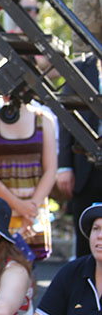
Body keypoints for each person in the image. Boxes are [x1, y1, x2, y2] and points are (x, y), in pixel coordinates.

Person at [0, 101, 57, 261]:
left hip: (32, 210)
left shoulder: (44, 119)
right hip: (2, 210)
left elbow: (51, 170)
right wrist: (21, 206)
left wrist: (32, 207)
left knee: (29, 268)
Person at [56, 54, 102, 258]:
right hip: (85, 168)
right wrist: (64, 166)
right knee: (86, 237)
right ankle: (85, 285)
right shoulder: (80, 67)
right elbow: (66, 119)